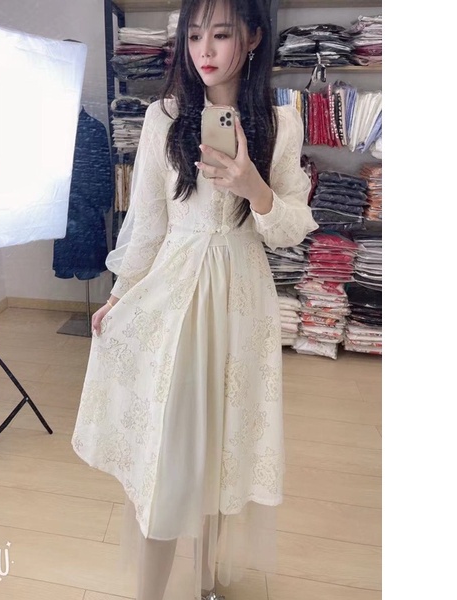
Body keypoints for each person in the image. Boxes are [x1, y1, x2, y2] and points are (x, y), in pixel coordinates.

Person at [71, 0, 317, 598]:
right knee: (170, 451)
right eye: (194, 35)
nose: (204, 49)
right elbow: (148, 222)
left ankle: (206, 581)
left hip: (241, 302)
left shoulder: (281, 124)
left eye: (221, 34)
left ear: (252, 38)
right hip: (176, 297)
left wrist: (254, 188)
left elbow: (290, 228)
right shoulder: (163, 117)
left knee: (222, 448)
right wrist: (121, 294)